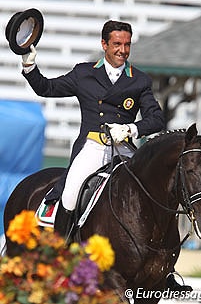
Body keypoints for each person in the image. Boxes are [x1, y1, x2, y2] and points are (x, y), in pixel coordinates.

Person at [21, 20, 165, 238]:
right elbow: (46, 88)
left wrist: (130, 129)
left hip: (123, 148)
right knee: (69, 196)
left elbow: (156, 119)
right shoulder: (83, 73)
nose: (122, 51)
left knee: (153, 191)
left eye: (127, 45)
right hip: (92, 147)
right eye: (117, 44)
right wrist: (30, 67)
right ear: (104, 44)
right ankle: (64, 246)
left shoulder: (140, 80)